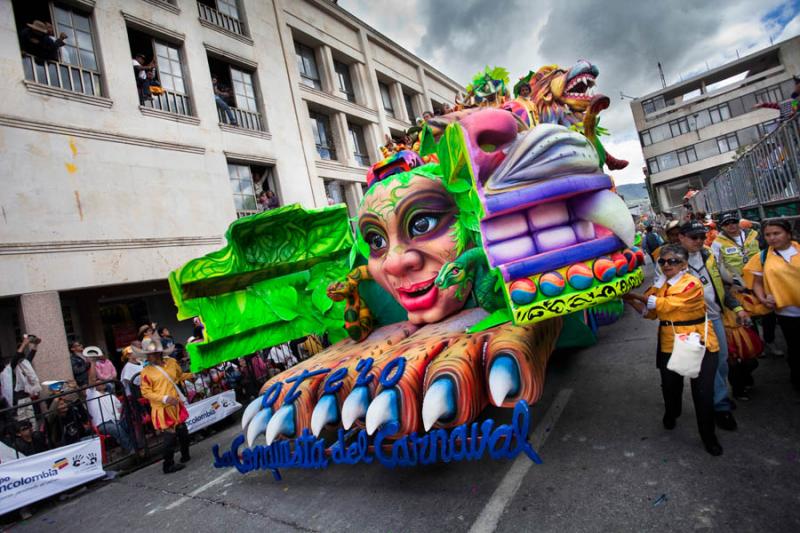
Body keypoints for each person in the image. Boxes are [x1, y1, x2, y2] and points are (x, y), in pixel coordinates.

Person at [623, 244, 723, 455]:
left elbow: (664, 305)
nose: (667, 265)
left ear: (684, 264)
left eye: (673, 261)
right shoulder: (659, 286)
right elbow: (649, 313)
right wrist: (628, 299)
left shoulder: (691, 283)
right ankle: (672, 412)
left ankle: (709, 437)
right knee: (670, 387)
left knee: (702, 393)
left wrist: (633, 294)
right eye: (663, 261)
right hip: (670, 343)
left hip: (699, 342)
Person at [678, 220, 749, 431]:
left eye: (701, 237)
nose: (699, 241)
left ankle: (719, 398)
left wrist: (737, 308)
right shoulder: (670, 259)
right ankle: (720, 406)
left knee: (722, 361)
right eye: (693, 237)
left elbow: (720, 286)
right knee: (706, 365)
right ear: (681, 237)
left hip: (715, 316)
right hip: (692, 323)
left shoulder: (708, 254)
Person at [744, 218, 800, 391]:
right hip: (787, 313)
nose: (772, 238)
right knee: (796, 348)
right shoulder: (762, 257)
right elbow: (757, 282)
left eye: (777, 233)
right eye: (768, 235)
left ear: (788, 234)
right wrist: (762, 298)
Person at [136, 339, 193, 474]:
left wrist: (193, 374)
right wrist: (164, 398)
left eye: (152, 354)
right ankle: (168, 465)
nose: (149, 357)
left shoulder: (172, 363)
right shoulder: (146, 372)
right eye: (148, 355)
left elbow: (179, 376)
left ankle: (185, 455)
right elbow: (146, 392)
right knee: (170, 436)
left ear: (159, 353)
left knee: (183, 431)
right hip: (162, 408)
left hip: (176, 404)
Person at [85, 381, 134, 452]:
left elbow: (120, 407)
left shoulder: (111, 396)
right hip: (102, 424)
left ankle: (137, 445)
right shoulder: (91, 394)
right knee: (116, 429)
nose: (101, 383)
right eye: (98, 383)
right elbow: (91, 379)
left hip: (116, 420)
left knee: (129, 423)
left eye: (102, 382)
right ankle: (132, 449)